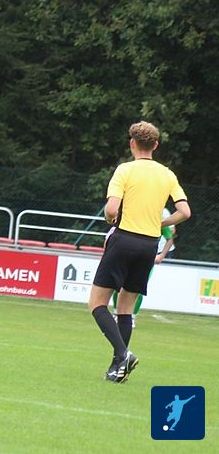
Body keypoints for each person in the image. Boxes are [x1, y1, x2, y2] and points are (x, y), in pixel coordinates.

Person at [89, 121, 190, 383]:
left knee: (97, 303)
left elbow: (112, 210)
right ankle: (118, 369)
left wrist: (111, 220)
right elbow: (184, 212)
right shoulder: (167, 174)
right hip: (149, 245)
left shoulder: (125, 170)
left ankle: (123, 354)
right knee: (125, 307)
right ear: (155, 145)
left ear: (132, 143)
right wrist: (160, 222)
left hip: (124, 239)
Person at [111, 224, 174, 328]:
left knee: (138, 288)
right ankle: (116, 313)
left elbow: (169, 239)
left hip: (146, 258)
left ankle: (131, 316)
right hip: (126, 255)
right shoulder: (132, 219)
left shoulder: (159, 221)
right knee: (118, 285)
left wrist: (161, 255)